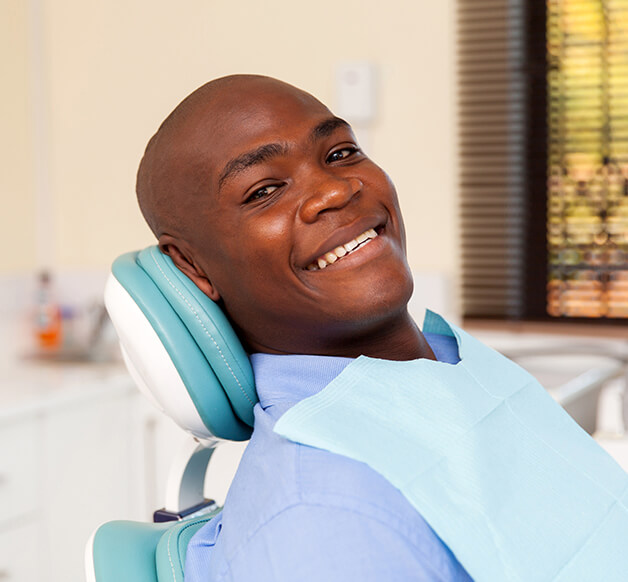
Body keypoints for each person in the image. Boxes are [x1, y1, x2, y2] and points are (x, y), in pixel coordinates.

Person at [136, 74, 472, 581]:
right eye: (265, 191)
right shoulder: (323, 520)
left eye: (339, 153)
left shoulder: (454, 361)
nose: (335, 191)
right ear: (192, 267)